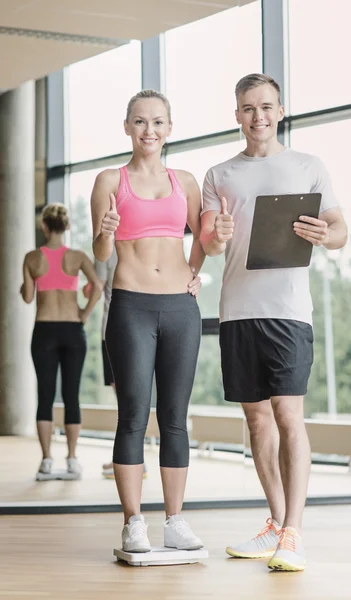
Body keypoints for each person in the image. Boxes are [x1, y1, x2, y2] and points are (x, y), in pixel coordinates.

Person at [200, 73, 348, 571]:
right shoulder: (219, 174)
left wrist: (326, 235)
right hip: (238, 310)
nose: (257, 116)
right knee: (256, 419)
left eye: (266, 106)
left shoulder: (308, 166)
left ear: (280, 110)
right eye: (247, 108)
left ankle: (295, 533)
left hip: (288, 312)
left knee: (288, 414)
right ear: (237, 114)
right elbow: (209, 244)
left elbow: (341, 229)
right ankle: (277, 524)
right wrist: (216, 234)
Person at [91, 89, 205, 553]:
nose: (149, 130)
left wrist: (196, 272)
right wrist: (105, 232)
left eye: (158, 122)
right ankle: (133, 521)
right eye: (140, 122)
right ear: (126, 127)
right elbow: (100, 255)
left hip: (180, 306)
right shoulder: (107, 180)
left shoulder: (187, 181)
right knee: (133, 417)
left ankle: (175, 521)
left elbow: (205, 237)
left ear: (170, 128)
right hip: (131, 305)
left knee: (175, 419)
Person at [20, 203, 103, 479]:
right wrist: (84, 314)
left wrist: (26, 283)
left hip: (44, 329)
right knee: (72, 396)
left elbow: (28, 297)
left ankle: (46, 460)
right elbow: (99, 286)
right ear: (67, 226)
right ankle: (71, 459)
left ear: (44, 226)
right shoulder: (77, 257)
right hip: (72, 329)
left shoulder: (32, 258)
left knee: (45, 396)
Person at [83, 251, 147, 480]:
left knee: (126, 401)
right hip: (143, 331)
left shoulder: (106, 250)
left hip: (113, 330)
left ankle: (133, 459)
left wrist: (84, 313)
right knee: (132, 399)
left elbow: (98, 286)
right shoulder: (139, 245)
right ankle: (134, 458)